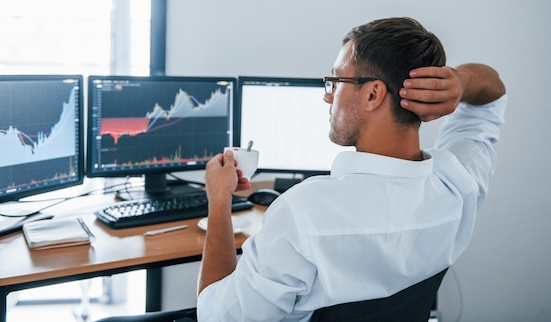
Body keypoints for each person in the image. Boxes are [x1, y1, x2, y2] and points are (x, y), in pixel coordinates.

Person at [197, 17, 507, 321]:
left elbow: (216, 316)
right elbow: (490, 100)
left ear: (373, 94)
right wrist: (461, 81)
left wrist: (219, 199)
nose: (327, 95)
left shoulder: (303, 213)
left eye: (336, 81)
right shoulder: (456, 185)